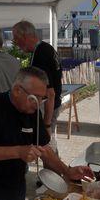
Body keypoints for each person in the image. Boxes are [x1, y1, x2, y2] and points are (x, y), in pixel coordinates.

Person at [0, 67, 92, 200]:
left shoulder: (32, 111)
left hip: (16, 181)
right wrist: (18, 151)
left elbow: (45, 149)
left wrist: (67, 171)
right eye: (35, 97)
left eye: (42, 99)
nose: (38, 104)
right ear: (18, 90)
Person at [12, 21, 63, 153]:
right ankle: (56, 171)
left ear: (25, 36)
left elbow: (50, 93)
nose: (15, 43)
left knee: (46, 146)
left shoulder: (41, 54)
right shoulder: (46, 48)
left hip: (47, 108)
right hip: (52, 106)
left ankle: (55, 172)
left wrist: (46, 124)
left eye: (16, 39)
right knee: (48, 146)